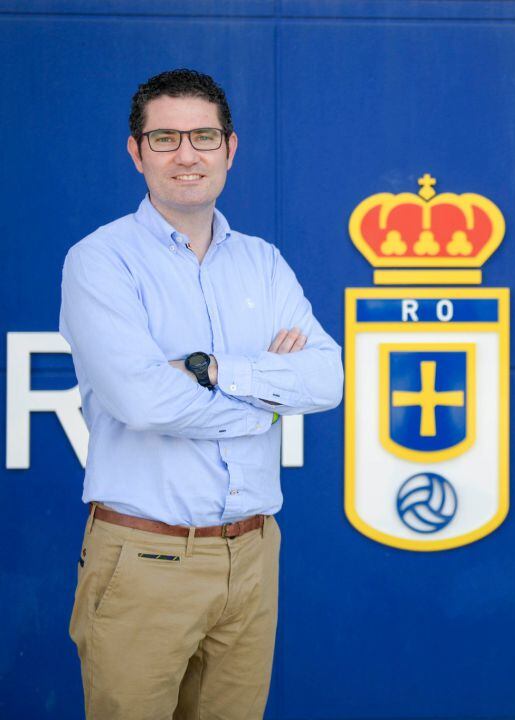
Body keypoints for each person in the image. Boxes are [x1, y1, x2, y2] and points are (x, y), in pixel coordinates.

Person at [59, 68, 343, 719]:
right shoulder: (101, 261)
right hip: (144, 560)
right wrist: (266, 402)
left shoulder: (262, 263)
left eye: (203, 137)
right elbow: (143, 402)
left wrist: (214, 370)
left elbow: (326, 378)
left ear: (230, 148)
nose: (187, 155)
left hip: (252, 558)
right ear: (136, 152)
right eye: (165, 138)